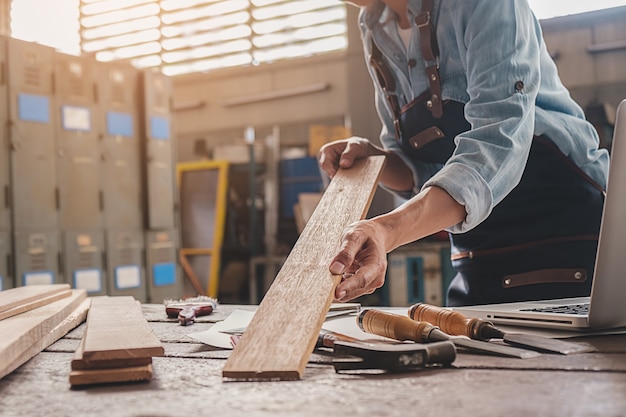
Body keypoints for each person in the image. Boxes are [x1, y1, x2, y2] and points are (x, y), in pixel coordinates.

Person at [318, 0, 610, 306]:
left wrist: (387, 230)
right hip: (478, 253)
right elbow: (422, 170)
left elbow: (497, 144)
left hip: (566, 231)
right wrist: (374, 159)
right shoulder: (374, 24)